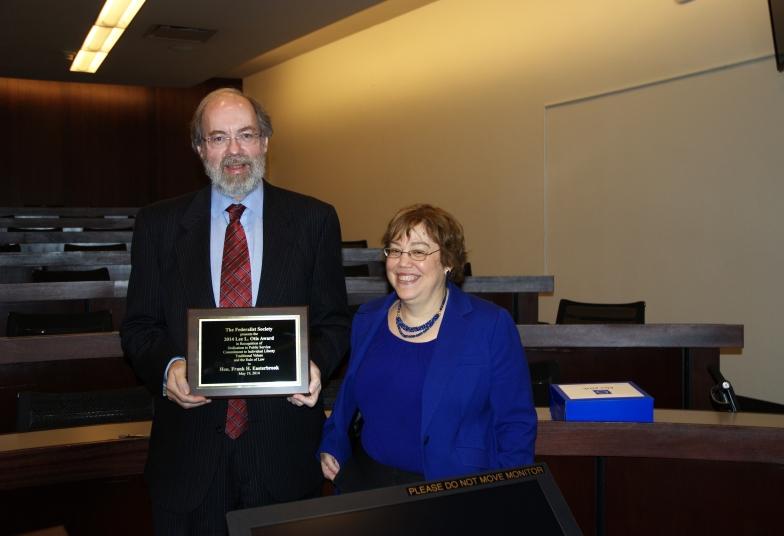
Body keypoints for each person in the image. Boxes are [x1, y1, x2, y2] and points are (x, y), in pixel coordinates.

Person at [120, 87, 350, 534]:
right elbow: (139, 326)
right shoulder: (159, 225)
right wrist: (168, 368)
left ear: (265, 140)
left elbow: (334, 321)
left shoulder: (314, 219)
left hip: (281, 450)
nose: (235, 151)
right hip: (188, 456)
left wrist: (317, 362)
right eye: (219, 138)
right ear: (200, 148)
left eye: (245, 135)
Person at [319, 204, 536, 491]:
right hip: (368, 484)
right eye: (395, 250)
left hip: (455, 490)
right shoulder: (367, 318)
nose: (402, 262)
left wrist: (507, 492)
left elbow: (516, 423)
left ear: (447, 261)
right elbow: (348, 395)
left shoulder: (490, 325)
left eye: (418, 252)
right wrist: (332, 442)